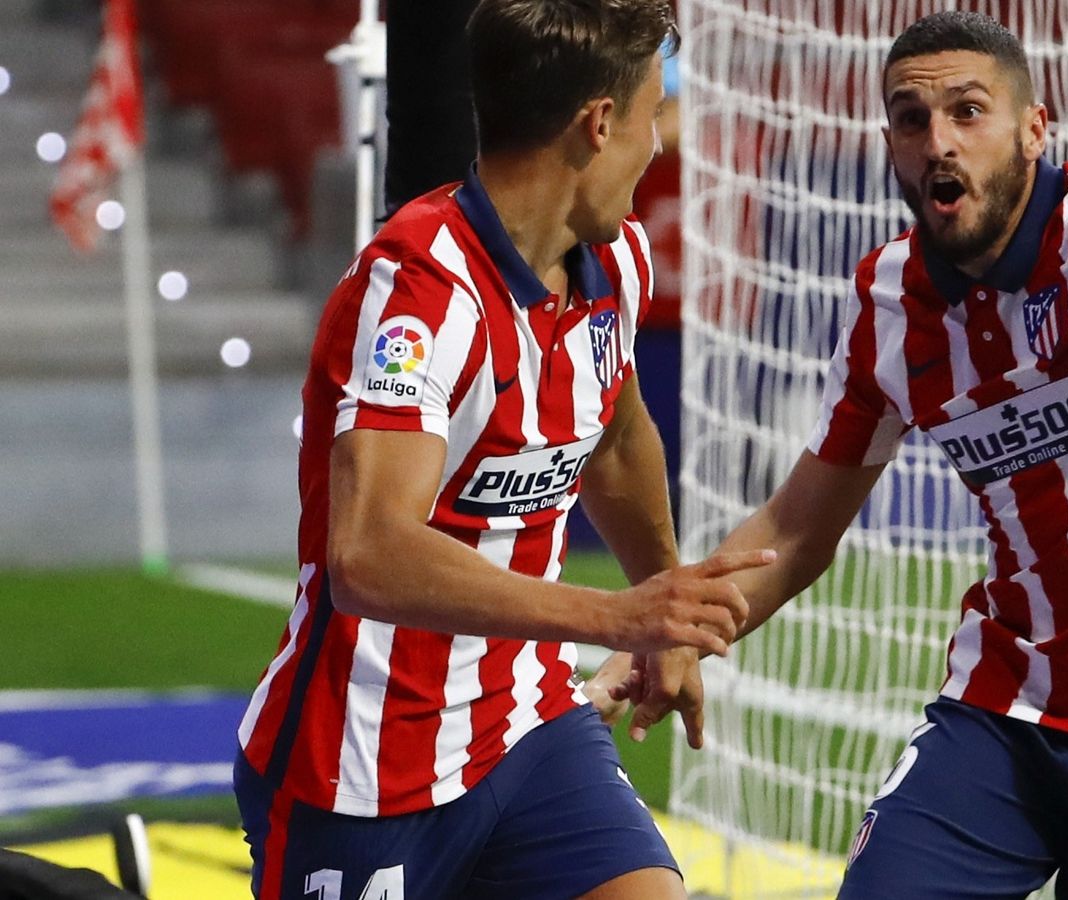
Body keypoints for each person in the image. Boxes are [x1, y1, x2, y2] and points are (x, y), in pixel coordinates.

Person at [599, 11, 1068, 898]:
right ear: (890, 145)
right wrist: (666, 633)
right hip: (1010, 707)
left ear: (1033, 129)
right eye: (912, 120)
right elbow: (795, 531)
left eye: (968, 111)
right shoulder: (888, 302)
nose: (939, 142)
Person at [231, 2, 769, 898]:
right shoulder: (419, 291)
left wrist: (664, 610)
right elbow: (368, 554)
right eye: (652, 116)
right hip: (362, 765)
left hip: (526, 727)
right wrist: (618, 617)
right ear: (599, 124)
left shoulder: (616, 261)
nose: (658, 146)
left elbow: (617, 437)